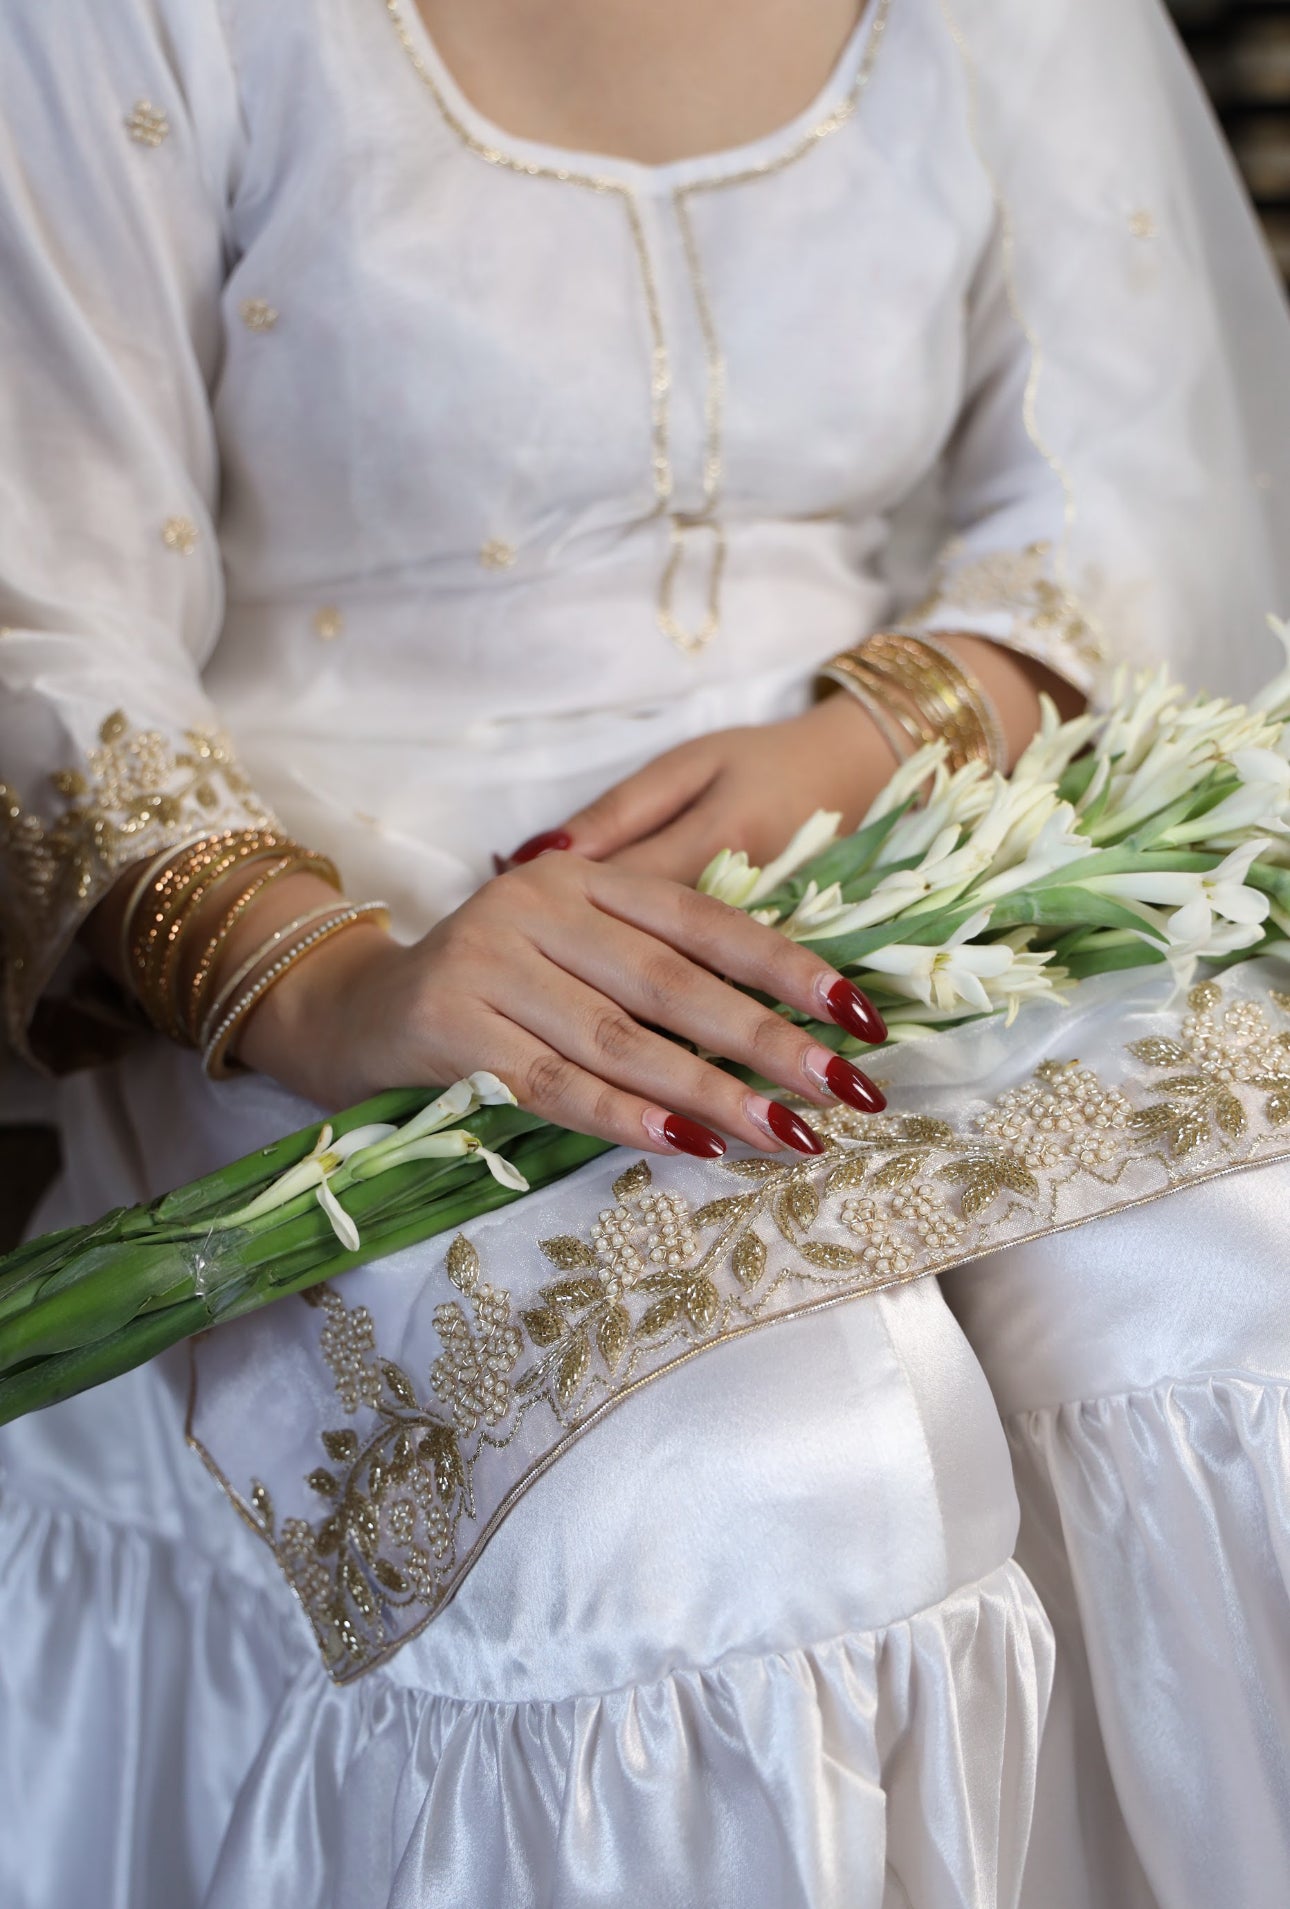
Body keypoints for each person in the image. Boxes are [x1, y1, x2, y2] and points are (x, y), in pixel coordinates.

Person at [0, 1, 1287, 1904]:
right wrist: (338, 984)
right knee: (773, 1493)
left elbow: (1119, 483)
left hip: (906, 829)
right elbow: (45, 594)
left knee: (1233, 1309)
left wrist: (877, 736)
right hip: (356, 908)